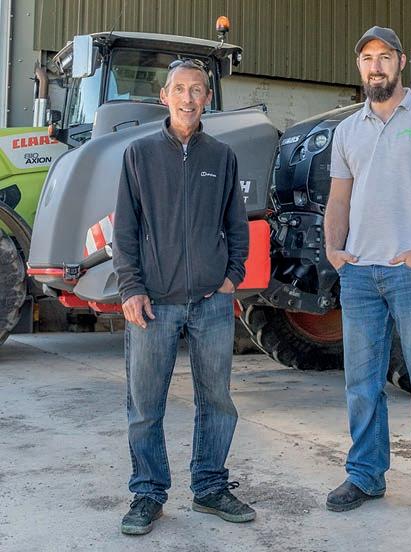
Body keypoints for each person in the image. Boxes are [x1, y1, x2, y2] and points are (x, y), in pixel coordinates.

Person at [324, 26, 411, 525]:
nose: (375, 66)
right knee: (361, 385)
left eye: (384, 57)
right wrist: (334, 250)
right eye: (367, 58)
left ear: (401, 62)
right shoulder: (347, 130)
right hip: (360, 274)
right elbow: (339, 199)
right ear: (359, 67)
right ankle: (365, 474)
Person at [113, 59, 255, 535]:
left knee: (216, 400)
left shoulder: (222, 156)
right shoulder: (139, 154)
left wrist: (232, 276)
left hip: (211, 302)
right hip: (154, 302)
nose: (189, 98)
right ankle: (148, 494)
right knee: (145, 404)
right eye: (180, 89)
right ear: (164, 96)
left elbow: (237, 223)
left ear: (207, 99)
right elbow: (125, 228)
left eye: (197, 90)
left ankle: (210, 487)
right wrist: (131, 288)